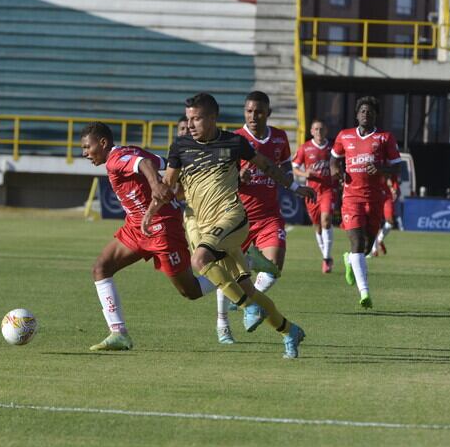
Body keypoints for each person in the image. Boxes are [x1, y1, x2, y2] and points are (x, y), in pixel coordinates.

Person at [146, 93, 315, 359]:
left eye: (197, 118)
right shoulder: (180, 147)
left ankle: (244, 309)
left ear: (213, 118)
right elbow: (169, 186)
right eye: (188, 118)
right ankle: (288, 330)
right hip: (200, 224)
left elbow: (267, 166)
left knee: (200, 260)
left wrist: (293, 186)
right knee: (247, 288)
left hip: (231, 218)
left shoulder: (232, 144)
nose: (190, 124)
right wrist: (151, 211)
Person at [80, 122, 216, 351]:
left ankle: (237, 265)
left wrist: (155, 184)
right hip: (137, 227)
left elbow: (144, 164)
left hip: (162, 228)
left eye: (87, 147)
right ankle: (118, 333)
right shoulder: (129, 151)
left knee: (190, 291)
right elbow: (161, 162)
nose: (84, 153)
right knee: (101, 268)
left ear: (103, 143)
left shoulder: (116, 159)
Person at [214, 91, 290, 342]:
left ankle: (248, 300)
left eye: (258, 111)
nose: (253, 115)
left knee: (274, 264)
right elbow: (218, 177)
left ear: (268, 113)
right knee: (225, 272)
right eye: (248, 111)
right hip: (237, 216)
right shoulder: (234, 139)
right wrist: (238, 178)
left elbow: (285, 168)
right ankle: (222, 324)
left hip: (269, 215)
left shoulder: (279, 138)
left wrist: (292, 183)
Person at [329, 96, 403, 309]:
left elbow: (397, 167)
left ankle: (350, 259)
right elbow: (334, 158)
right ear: (356, 114)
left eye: (370, 112)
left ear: (375, 115)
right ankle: (365, 293)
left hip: (375, 198)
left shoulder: (385, 138)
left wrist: (381, 169)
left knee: (367, 246)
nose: (366, 114)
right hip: (351, 198)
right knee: (356, 242)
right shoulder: (344, 136)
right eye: (362, 111)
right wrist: (336, 170)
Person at [292, 118, 337, 273]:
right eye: (316, 129)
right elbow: (295, 168)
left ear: (326, 131)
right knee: (317, 226)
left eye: (321, 129)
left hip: (327, 190)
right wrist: (305, 173)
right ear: (311, 131)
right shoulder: (305, 148)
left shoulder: (332, 148)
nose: (319, 132)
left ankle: (326, 258)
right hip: (311, 192)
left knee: (326, 220)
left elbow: (338, 165)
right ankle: (326, 254)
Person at [370, 174, 399, 257]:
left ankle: (380, 239)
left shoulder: (392, 166)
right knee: (374, 222)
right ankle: (373, 249)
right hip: (375, 194)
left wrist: (394, 190)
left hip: (387, 196)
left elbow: (394, 181)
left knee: (390, 221)